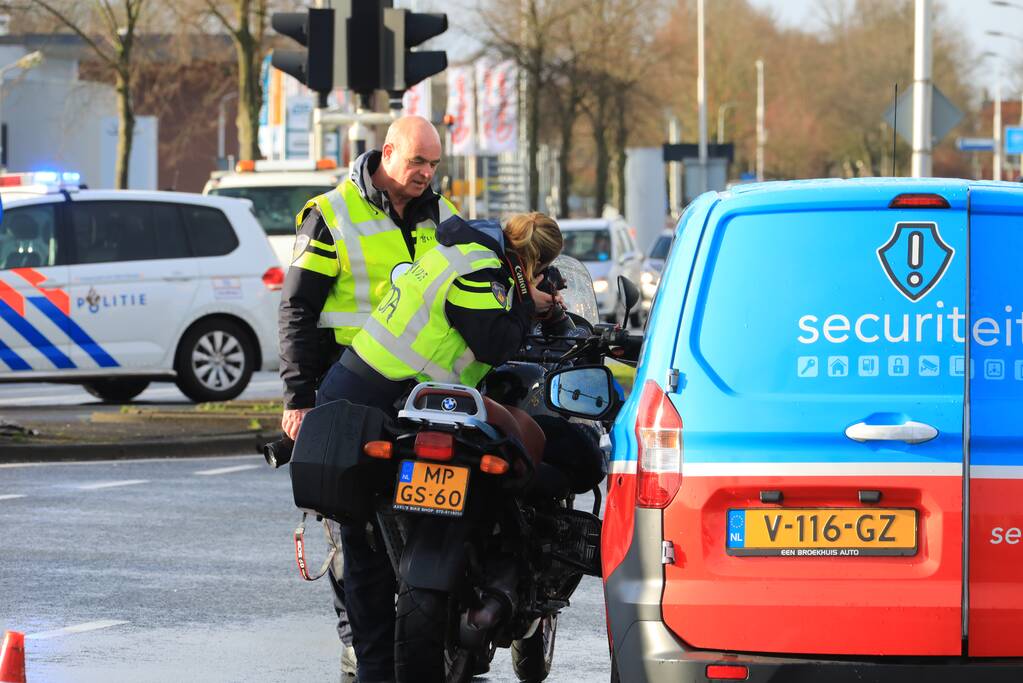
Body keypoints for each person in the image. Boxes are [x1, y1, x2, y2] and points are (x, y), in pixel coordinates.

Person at [316, 211, 563, 683]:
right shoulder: (483, 269)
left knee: (368, 545)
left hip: (365, 390)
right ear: (532, 261)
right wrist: (528, 304)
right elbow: (496, 342)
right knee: (368, 547)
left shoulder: (464, 250)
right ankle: (376, 667)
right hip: (383, 396)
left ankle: (374, 672)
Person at [277, 115, 457, 678]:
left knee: (437, 524)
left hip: (428, 400)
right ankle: (368, 656)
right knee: (359, 536)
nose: (425, 174)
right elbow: (297, 309)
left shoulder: (444, 216)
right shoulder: (330, 214)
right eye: (416, 163)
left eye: (433, 164)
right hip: (350, 397)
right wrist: (299, 397)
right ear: (387, 153)